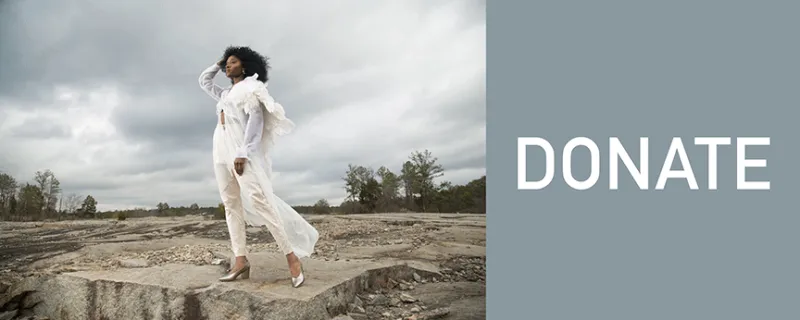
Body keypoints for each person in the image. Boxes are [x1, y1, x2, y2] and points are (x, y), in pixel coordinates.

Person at [198, 46, 318, 288]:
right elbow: (204, 81)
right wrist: (219, 61)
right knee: (231, 205)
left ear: (245, 66)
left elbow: (256, 121)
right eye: (227, 63)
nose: (228, 66)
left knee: (261, 201)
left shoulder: (251, 88)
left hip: (239, 150)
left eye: (233, 62)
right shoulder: (225, 95)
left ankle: (292, 258)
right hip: (219, 149)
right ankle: (240, 260)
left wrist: (243, 153)